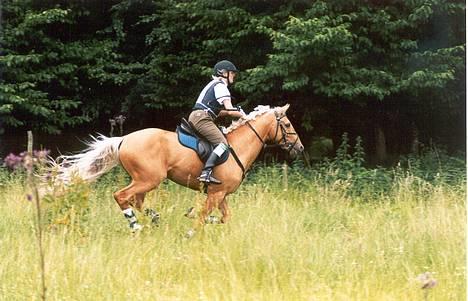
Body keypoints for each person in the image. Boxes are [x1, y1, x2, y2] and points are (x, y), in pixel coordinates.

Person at [188, 60, 244, 184]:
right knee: (223, 143)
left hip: (199, 116)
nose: (234, 76)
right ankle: (206, 172)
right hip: (202, 118)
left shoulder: (214, 85)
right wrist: (245, 116)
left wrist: (235, 111)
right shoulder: (221, 86)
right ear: (224, 73)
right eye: (232, 73)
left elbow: (219, 112)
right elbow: (229, 110)